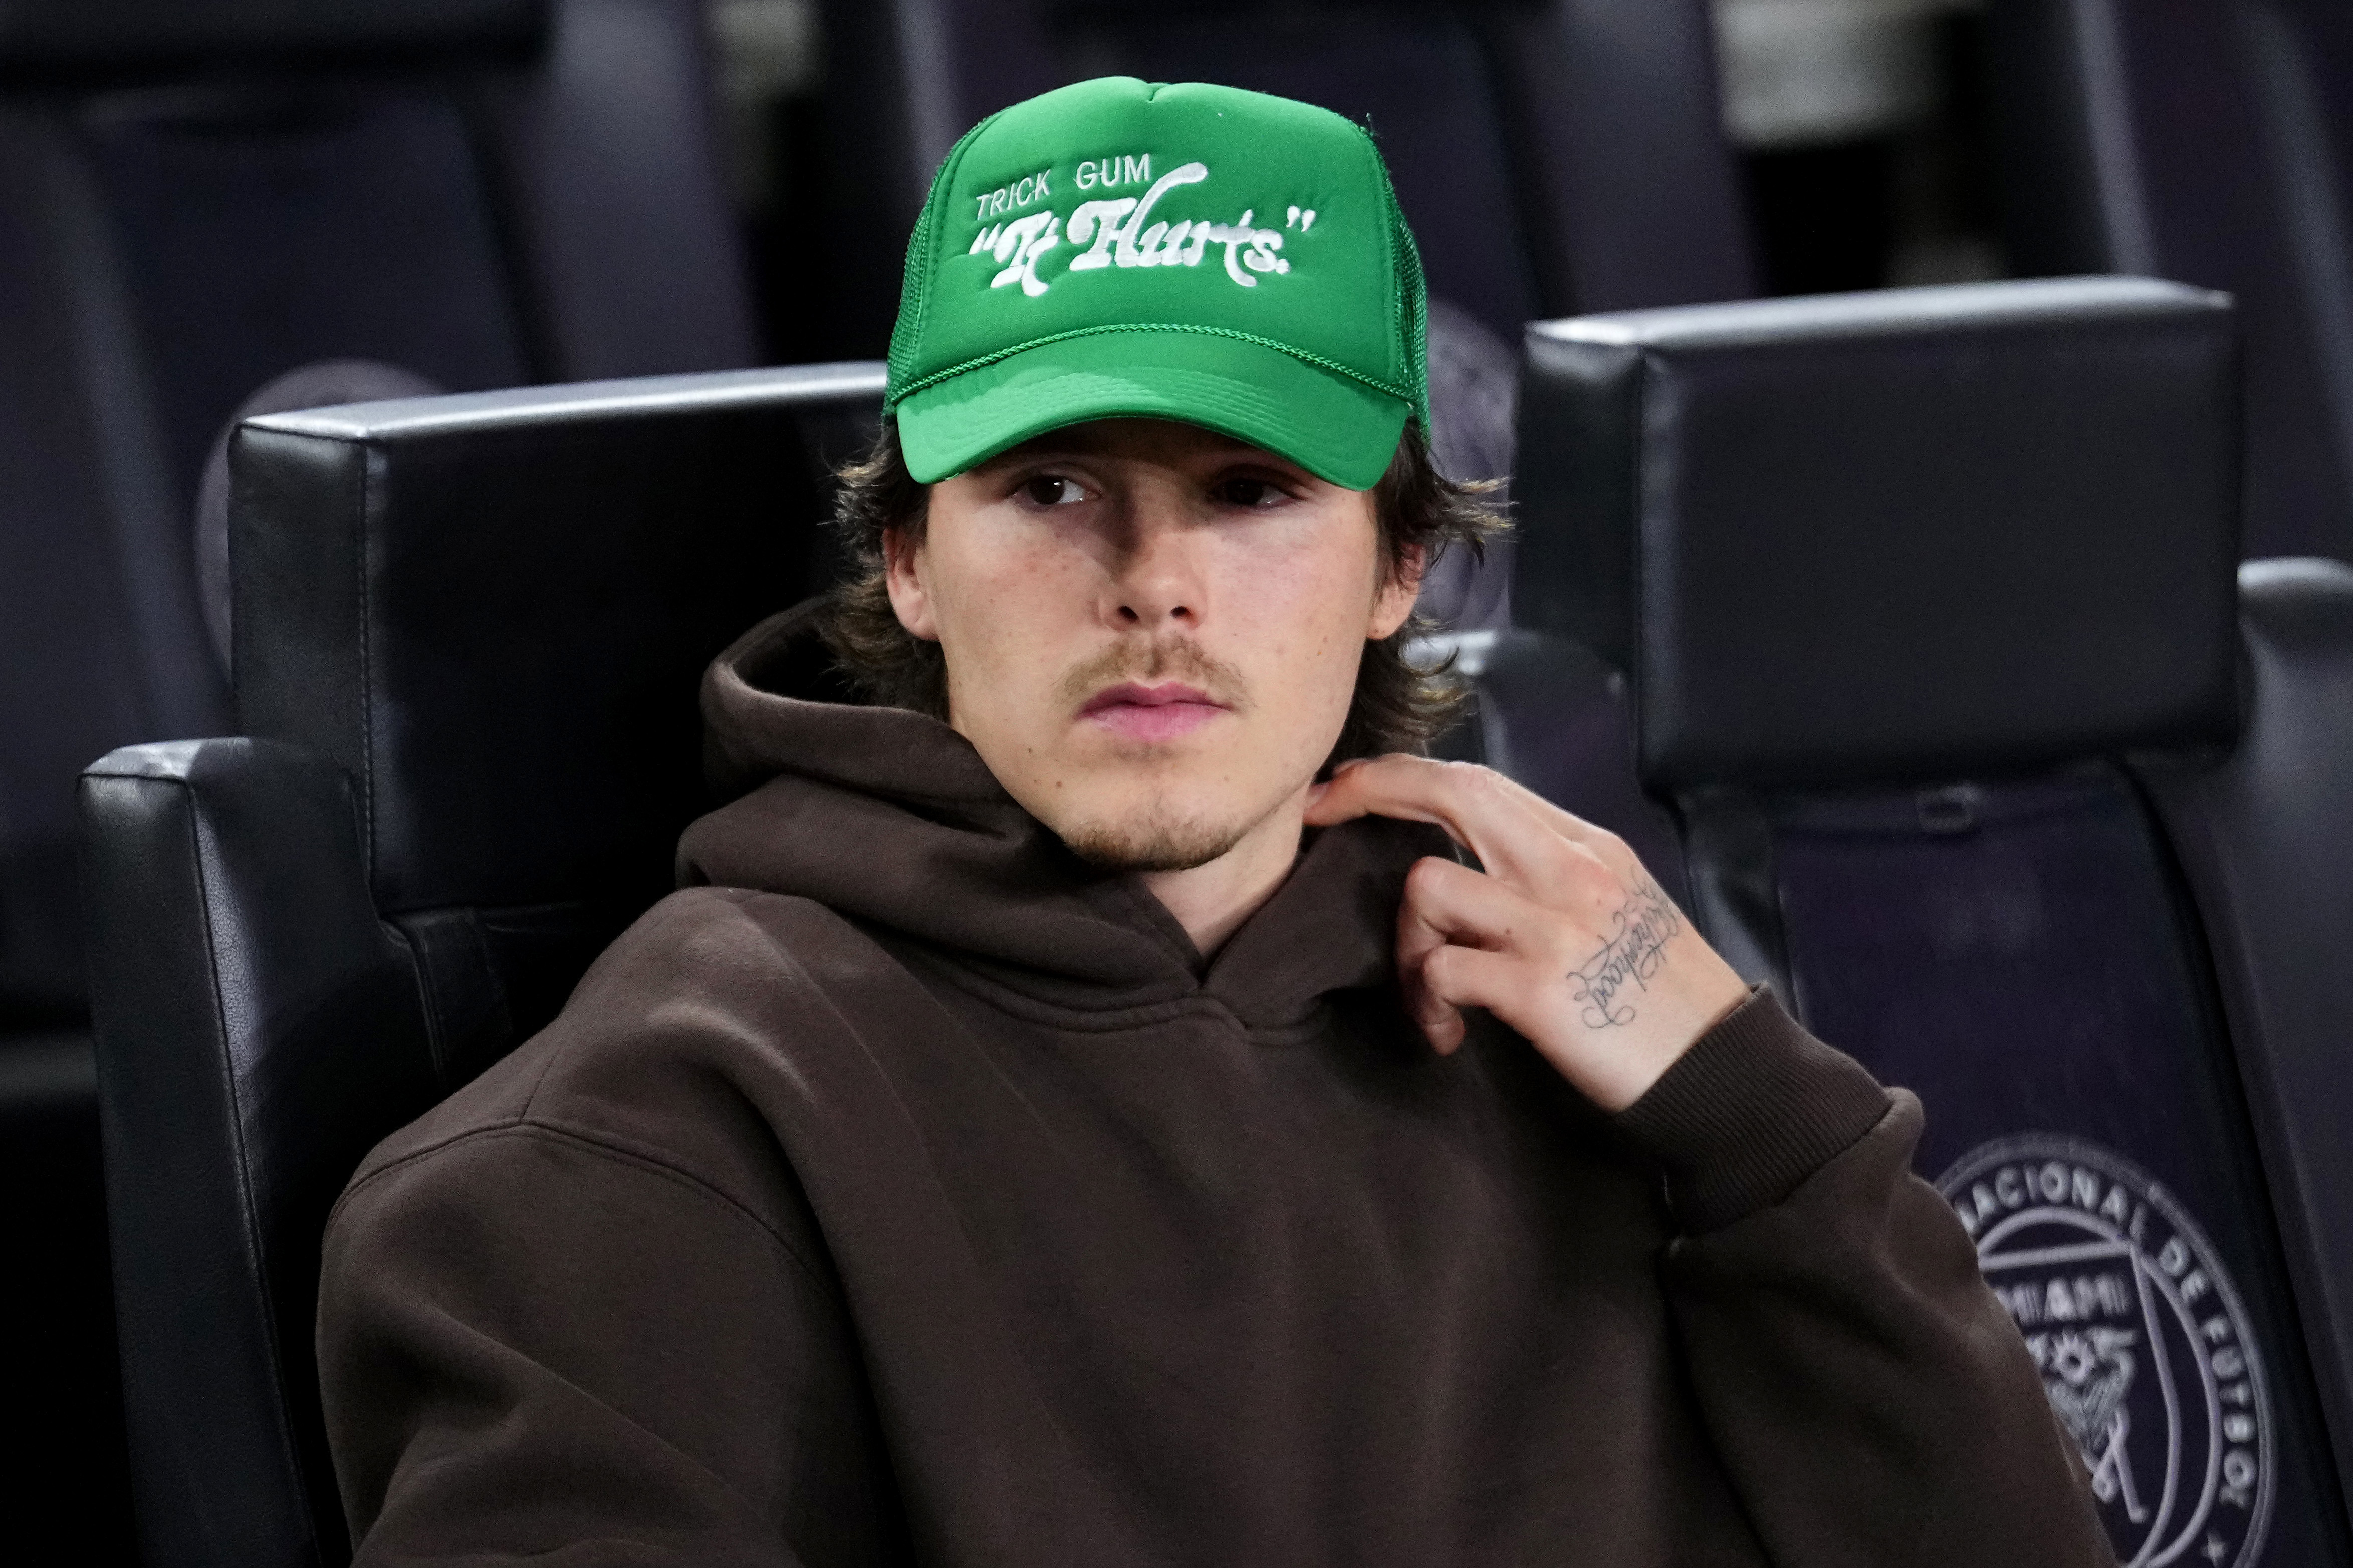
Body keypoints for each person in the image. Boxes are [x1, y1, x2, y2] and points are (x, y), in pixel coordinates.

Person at [317, 77, 2113, 1566]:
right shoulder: (630, 1144)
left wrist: (1752, 1115)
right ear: (908, 559)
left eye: (1252, 489)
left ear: (1405, 563)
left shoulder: (1601, 1052)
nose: (1154, 583)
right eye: (1053, 485)